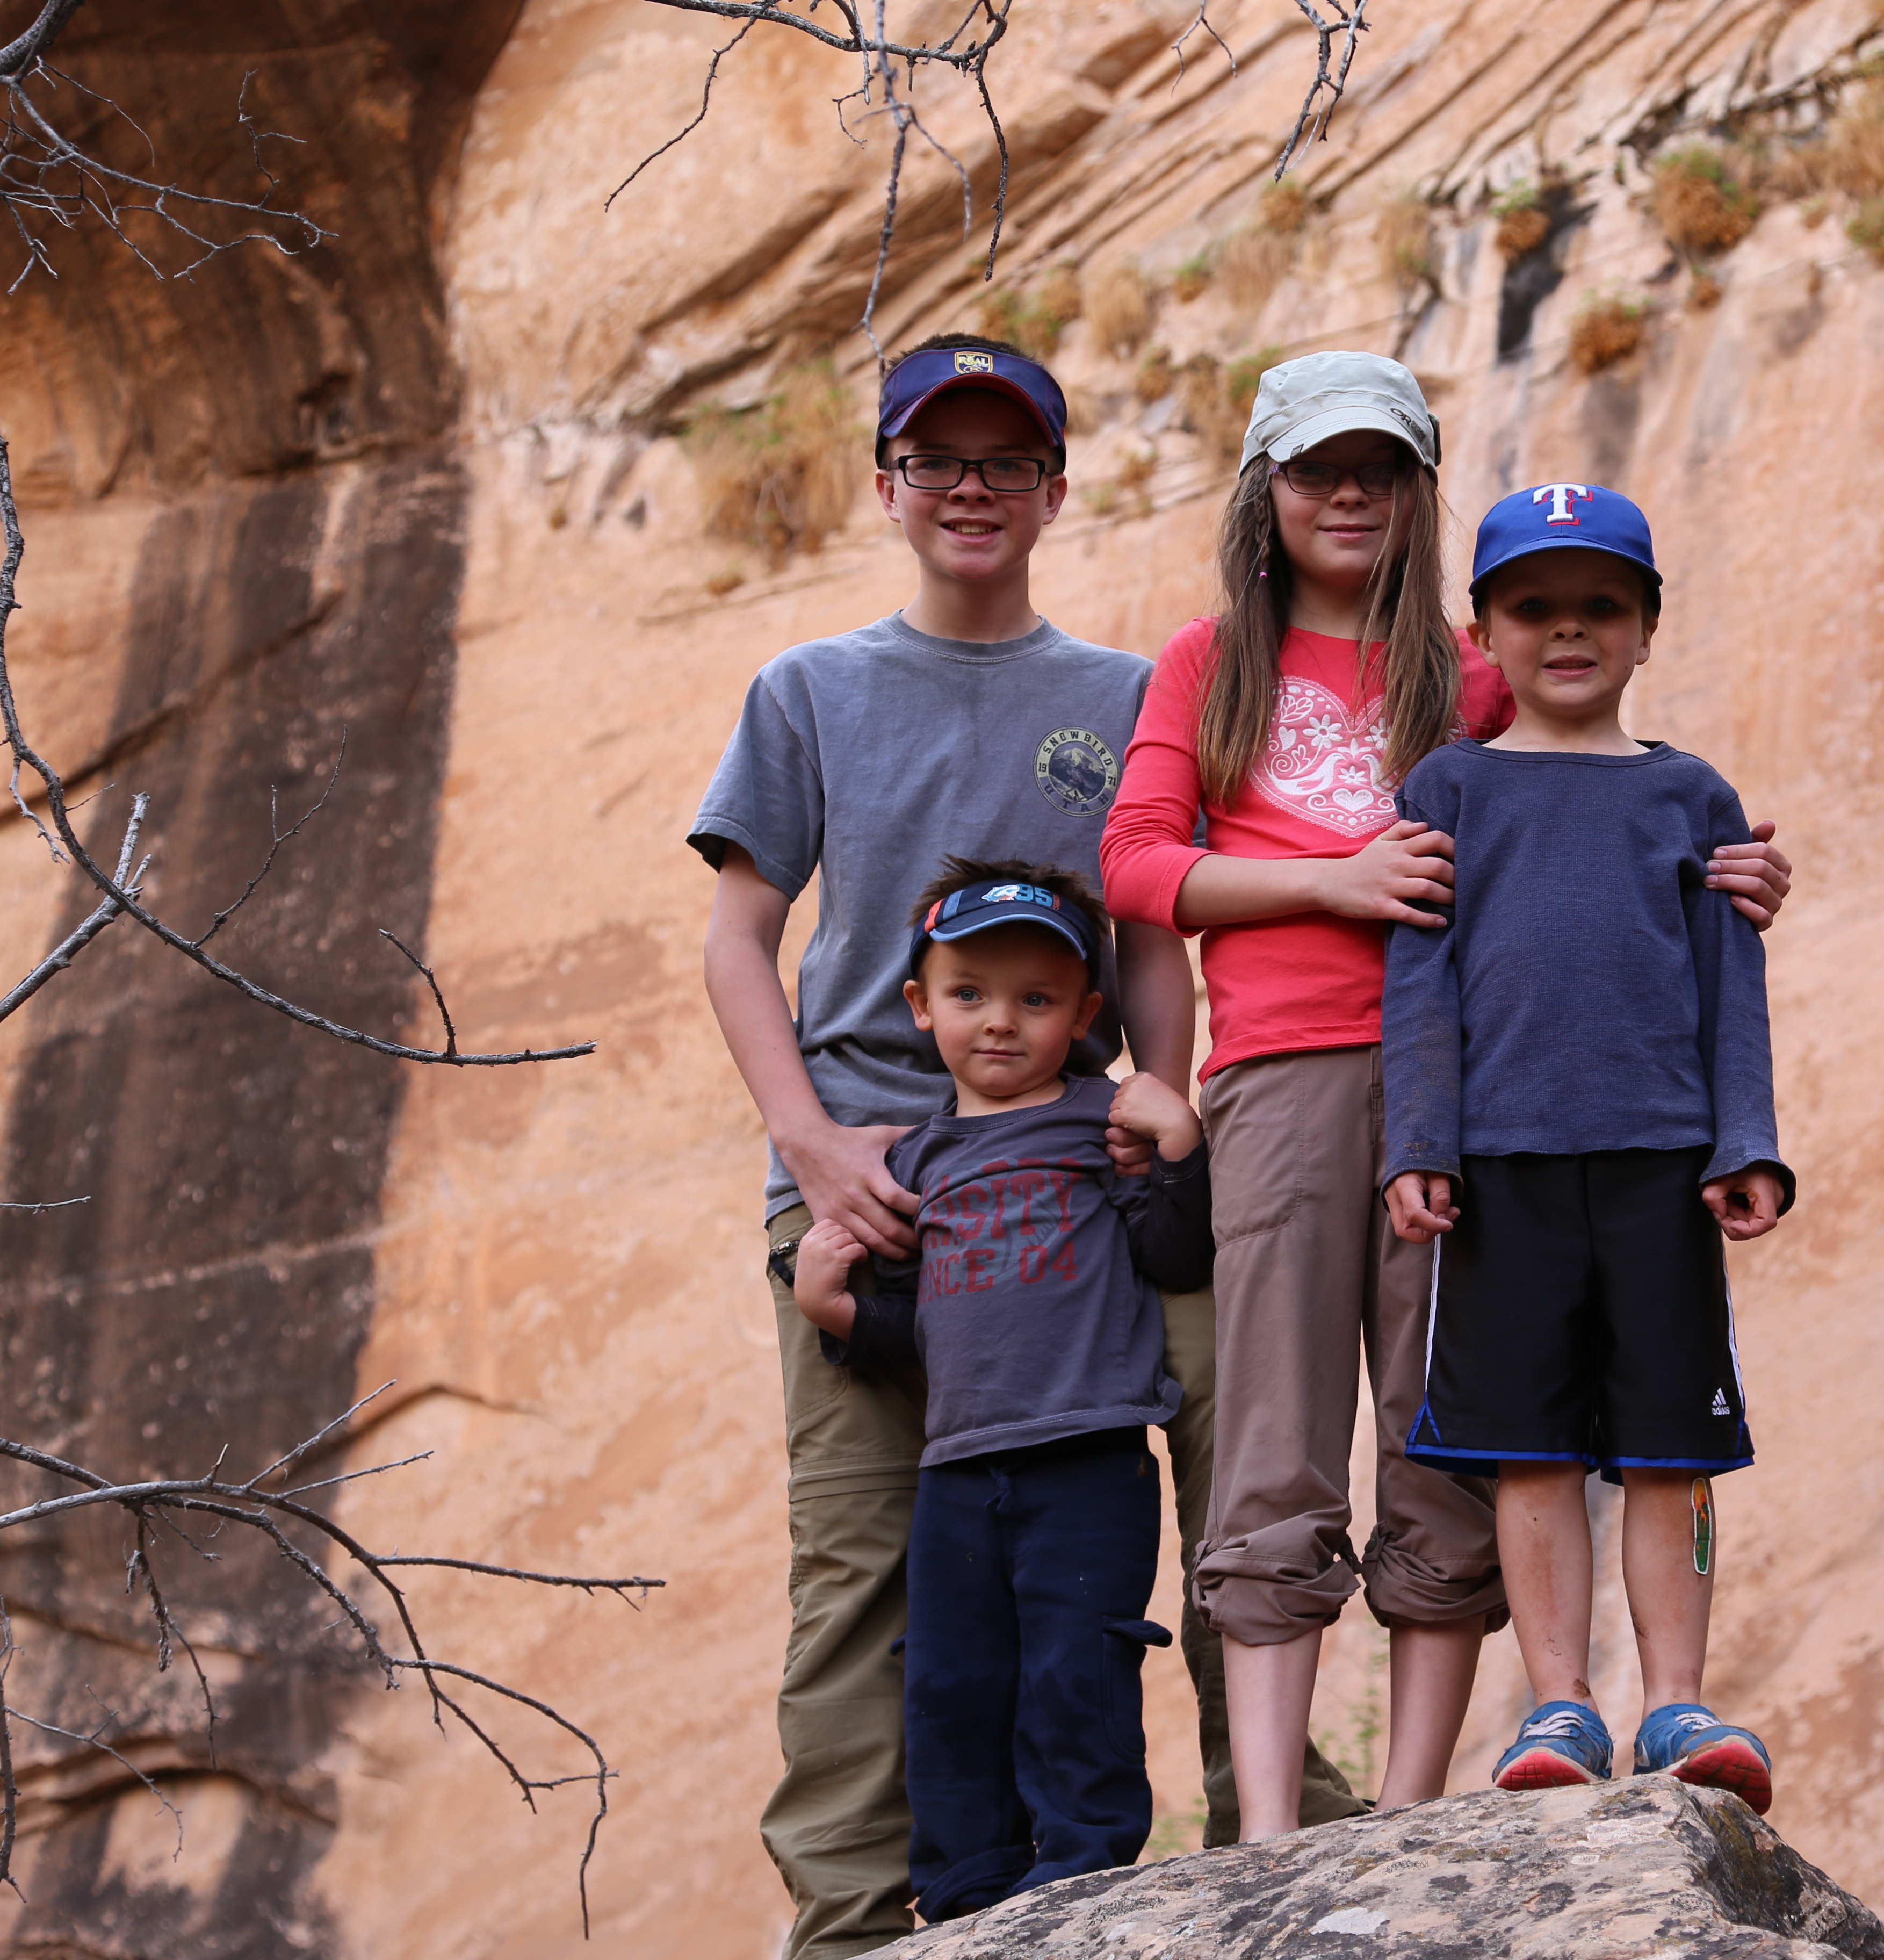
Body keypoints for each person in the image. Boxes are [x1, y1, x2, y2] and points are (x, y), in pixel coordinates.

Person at [690, 335, 1353, 1958]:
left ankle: (1269, 1817)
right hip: (873, 1190)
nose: (971, 488)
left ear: (1055, 489)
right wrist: (816, 1149)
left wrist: (1168, 1099)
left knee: (1225, 1448)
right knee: (861, 1561)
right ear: (889, 486)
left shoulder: (1122, 695)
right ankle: (855, 1918)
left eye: (1005, 462)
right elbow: (738, 937)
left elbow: (1146, 922)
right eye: (939, 460)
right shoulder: (812, 691)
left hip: (1084, 1187)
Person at [1096, 352, 1795, 1841]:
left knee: (1445, 1427)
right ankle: (1275, 1828)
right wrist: (1332, 880)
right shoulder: (1210, 663)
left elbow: (1587, 815)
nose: (1347, 494)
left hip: (1476, 1091)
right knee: (1278, 1430)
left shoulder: (1471, 677)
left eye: (1381, 469)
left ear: (1421, 493)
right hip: (1280, 1068)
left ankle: (1412, 1808)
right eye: (1314, 468)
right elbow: (1137, 865)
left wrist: (1726, 870)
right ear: (1264, 490)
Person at [1381, 482, 1790, 1814]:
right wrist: (1419, 1142)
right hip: (1501, 1170)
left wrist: (1748, 1143)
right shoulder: (1448, 786)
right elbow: (1421, 980)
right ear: (1483, 628)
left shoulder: (1692, 795)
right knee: (1531, 1447)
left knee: (1676, 1444)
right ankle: (1557, 1700)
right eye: (1536, 609)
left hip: (1663, 1163)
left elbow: (1735, 986)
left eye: (1601, 608)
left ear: (1648, 628)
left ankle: (1676, 1699)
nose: (1570, 633)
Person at [788, 862, 1206, 1918]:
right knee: (949, 1679)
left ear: (1085, 1014)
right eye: (970, 995)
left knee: (1077, 1670)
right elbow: (929, 1331)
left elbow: (1174, 1251)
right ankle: (967, 1894)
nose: (1002, 1023)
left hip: (1091, 1457)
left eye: (1037, 999)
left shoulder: (1102, 1120)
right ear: (921, 1007)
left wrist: (1179, 1145)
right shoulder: (910, 1163)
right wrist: (840, 1315)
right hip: (958, 1471)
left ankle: (1082, 1872)